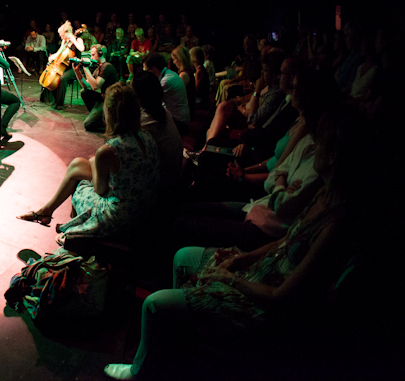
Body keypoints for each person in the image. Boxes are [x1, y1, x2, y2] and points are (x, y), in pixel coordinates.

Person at [103, 110, 361, 380]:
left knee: (153, 305)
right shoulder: (324, 195)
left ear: (332, 156)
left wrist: (231, 278)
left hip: (264, 306)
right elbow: (284, 241)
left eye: (319, 142)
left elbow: (281, 297)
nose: (312, 145)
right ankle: (182, 340)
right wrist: (242, 260)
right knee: (182, 256)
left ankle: (141, 371)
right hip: (261, 267)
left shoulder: (335, 226)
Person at [17, 84, 160, 241]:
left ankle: (73, 234)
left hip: (120, 216)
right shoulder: (147, 137)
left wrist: (94, 162)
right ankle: (46, 211)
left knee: (80, 184)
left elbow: (99, 190)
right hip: (143, 206)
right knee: (77, 164)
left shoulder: (110, 150)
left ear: (110, 115)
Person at [73, 43, 119, 133]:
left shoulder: (107, 67)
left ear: (100, 54)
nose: (91, 57)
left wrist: (86, 69)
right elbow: (86, 85)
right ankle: (99, 117)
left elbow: (95, 86)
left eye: (93, 54)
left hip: (110, 100)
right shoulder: (98, 69)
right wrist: (77, 71)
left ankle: (108, 124)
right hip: (103, 98)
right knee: (84, 92)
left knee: (88, 125)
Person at [142, 52, 190, 131]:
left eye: (146, 71)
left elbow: (151, 102)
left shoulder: (166, 81)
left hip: (179, 123)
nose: (145, 74)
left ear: (154, 69)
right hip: (181, 119)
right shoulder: (170, 73)